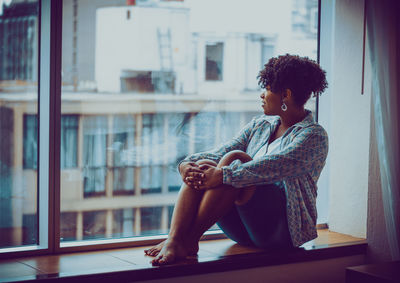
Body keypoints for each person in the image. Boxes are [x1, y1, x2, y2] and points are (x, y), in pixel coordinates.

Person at [144, 54, 329, 266]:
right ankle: (175, 239)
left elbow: (274, 166)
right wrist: (187, 164)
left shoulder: (313, 136)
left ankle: (187, 240)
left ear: (285, 94)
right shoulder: (260, 126)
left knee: (235, 160)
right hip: (244, 229)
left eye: (267, 89)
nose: (262, 95)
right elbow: (222, 150)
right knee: (206, 164)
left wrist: (224, 174)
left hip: (282, 232)